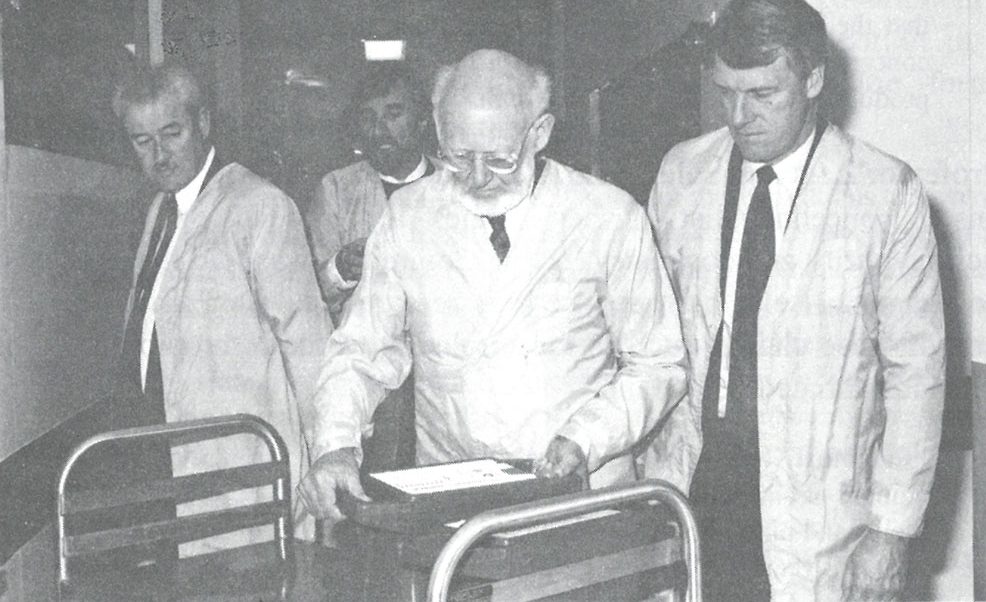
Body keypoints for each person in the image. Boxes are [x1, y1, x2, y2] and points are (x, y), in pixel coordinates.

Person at [644, 0, 945, 602]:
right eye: (726, 93)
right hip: (697, 490)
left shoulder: (884, 192)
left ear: (813, 81)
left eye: (762, 94)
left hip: (823, 512)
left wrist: (891, 533)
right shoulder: (682, 172)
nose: (738, 116)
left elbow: (916, 374)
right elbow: (647, 338)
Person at [297, 49, 689, 519]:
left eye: (501, 160)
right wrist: (336, 446)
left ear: (540, 133)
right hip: (454, 496)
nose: (479, 178)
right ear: (437, 128)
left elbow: (659, 363)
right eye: (460, 158)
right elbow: (361, 351)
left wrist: (589, 436)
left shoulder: (608, 215)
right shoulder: (408, 218)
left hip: (582, 497)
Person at [114, 64, 332, 554]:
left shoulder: (259, 205)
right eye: (142, 141)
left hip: (240, 458)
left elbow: (307, 341)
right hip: (163, 451)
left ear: (203, 123)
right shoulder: (160, 210)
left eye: (172, 133)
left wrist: (328, 454)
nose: (159, 154)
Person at [304, 63, 436, 323]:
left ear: (422, 120)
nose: (378, 130)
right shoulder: (336, 190)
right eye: (368, 118)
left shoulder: (454, 184)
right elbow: (305, 296)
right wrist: (339, 269)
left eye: (393, 114)